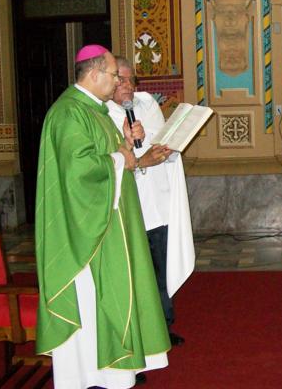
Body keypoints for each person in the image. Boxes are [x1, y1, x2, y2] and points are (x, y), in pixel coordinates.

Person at [35, 45, 172, 388]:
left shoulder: (93, 110)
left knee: (108, 302)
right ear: (94, 74)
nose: (118, 83)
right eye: (114, 75)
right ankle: (85, 376)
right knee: (92, 304)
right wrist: (119, 158)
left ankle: (109, 373)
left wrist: (124, 146)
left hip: (107, 225)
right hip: (86, 235)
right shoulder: (69, 113)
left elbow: (110, 156)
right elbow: (77, 171)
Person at [106, 56, 195, 346]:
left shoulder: (146, 104)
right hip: (128, 207)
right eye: (120, 80)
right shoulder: (101, 113)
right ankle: (138, 335)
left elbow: (163, 141)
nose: (128, 86)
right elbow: (110, 164)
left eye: (131, 79)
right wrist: (141, 158)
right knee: (135, 274)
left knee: (161, 270)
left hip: (158, 203)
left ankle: (163, 326)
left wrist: (167, 151)